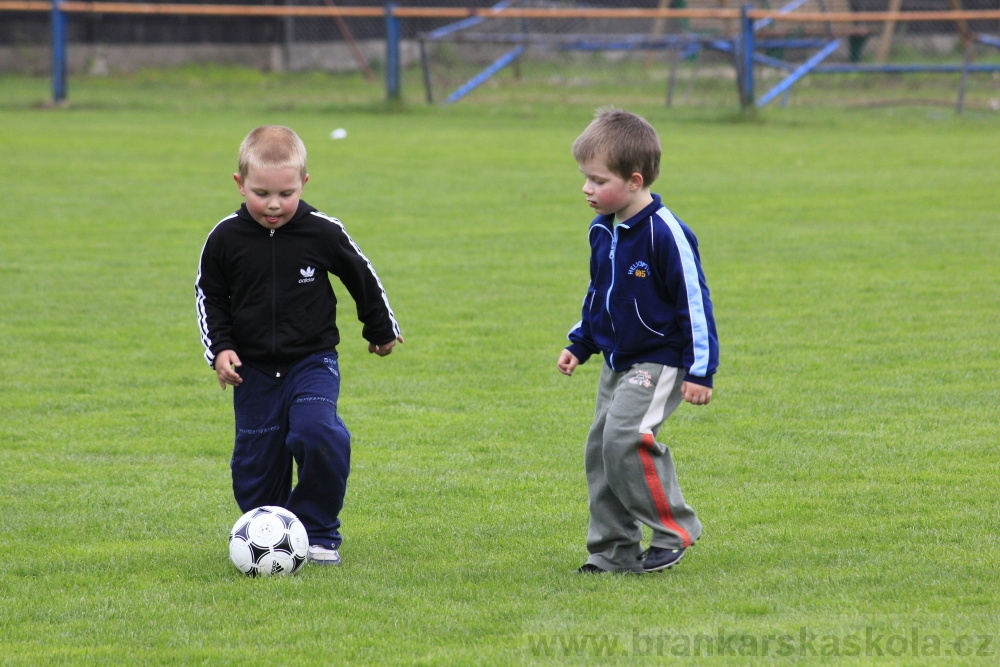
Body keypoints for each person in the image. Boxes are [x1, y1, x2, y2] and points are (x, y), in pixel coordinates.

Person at [195, 125, 402, 566]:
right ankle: (271, 530)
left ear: (304, 183)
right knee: (254, 472)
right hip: (251, 370)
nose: (273, 204)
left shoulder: (322, 231)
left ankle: (319, 531)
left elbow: (360, 275)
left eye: (286, 193)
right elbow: (209, 296)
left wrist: (380, 329)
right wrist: (221, 349)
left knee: (317, 431)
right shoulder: (224, 239)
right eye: (261, 193)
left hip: (312, 361)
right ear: (239, 184)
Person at [557, 108, 719, 574]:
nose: (586, 189)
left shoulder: (667, 233)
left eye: (595, 179)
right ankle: (613, 550)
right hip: (617, 361)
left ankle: (674, 529)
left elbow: (695, 303)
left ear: (633, 180)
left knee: (625, 436)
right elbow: (600, 295)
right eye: (583, 178)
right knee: (601, 447)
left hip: (661, 359)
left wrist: (700, 370)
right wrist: (582, 342)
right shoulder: (602, 228)